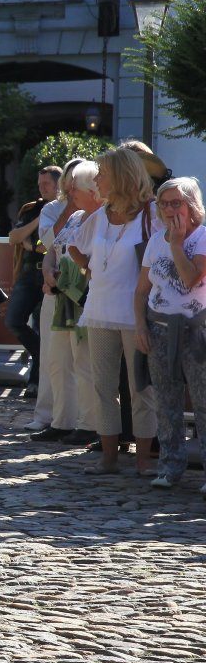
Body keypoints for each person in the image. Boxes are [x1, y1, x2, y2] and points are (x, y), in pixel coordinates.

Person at [68, 147, 157, 476]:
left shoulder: (151, 213)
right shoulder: (100, 215)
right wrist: (90, 269)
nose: (96, 181)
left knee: (141, 389)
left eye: (102, 174)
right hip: (100, 310)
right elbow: (73, 246)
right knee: (103, 387)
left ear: (121, 176)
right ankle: (109, 458)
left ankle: (144, 459)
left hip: (137, 315)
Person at [135, 177, 206, 490]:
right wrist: (140, 326)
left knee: (203, 401)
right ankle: (170, 466)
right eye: (163, 204)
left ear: (191, 205)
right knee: (166, 401)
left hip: (196, 331)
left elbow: (191, 279)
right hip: (160, 329)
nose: (168, 210)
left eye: (175, 203)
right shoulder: (155, 241)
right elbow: (141, 291)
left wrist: (177, 244)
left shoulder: (202, 237)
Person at [29, 161, 89, 443]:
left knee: (82, 362)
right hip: (57, 293)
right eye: (69, 182)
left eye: (76, 183)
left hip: (82, 296)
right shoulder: (62, 212)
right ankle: (58, 419)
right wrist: (48, 271)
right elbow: (48, 246)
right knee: (56, 359)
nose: (71, 188)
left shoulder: (97, 215)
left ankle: (86, 423)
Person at [13, 166, 63, 407]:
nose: (42, 188)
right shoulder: (32, 209)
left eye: (47, 184)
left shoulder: (66, 210)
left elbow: (50, 245)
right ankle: (40, 353)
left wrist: (32, 245)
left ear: (59, 185)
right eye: (40, 184)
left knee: (43, 327)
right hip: (28, 273)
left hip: (49, 274)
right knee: (13, 320)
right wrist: (38, 220)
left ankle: (36, 382)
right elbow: (15, 237)